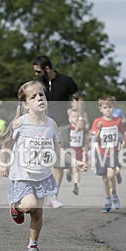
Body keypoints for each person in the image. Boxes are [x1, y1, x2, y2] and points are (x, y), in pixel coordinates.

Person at [0, 80, 88, 251]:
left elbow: (57, 150)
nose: (39, 98)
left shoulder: (51, 125)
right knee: (29, 205)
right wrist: (4, 163)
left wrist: (75, 162)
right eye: (34, 96)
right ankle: (15, 207)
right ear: (25, 104)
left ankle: (33, 246)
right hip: (23, 174)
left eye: (42, 95)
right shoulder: (20, 123)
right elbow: (6, 142)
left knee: (38, 213)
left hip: (42, 174)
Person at [33, 55, 78, 208]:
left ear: (47, 69)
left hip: (62, 125)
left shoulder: (66, 81)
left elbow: (78, 97)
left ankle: (53, 196)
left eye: (38, 72)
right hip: (43, 126)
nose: (36, 75)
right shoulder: (38, 85)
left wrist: (78, 114)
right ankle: (40, 192)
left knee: (59, 163)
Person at [90, 95, 126, 212]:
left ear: (113, 107)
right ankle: (107, 199)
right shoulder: (97, 122)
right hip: (101, 153)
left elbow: (122, 135)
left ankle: (114, 195)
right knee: (105, 178)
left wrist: (124, 143)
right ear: (101, 109)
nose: (108, 109)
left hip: (113, 151)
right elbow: (95, 140)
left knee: (111, 175)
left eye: (110, 107)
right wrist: (99, 129)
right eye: (105, 107)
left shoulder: (117, 121)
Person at [67, 108, 87, 196]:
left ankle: (76, 186)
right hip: (69, 150)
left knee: (76, 169)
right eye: (73, 116)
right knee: (67, 168)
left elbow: (85, 138)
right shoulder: (68, 127)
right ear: (70, 118)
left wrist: (86, 147)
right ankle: (68, 173)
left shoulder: (82, 128)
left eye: (77, 117)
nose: (75, 118)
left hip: (78, 150)